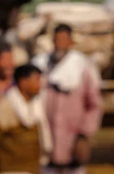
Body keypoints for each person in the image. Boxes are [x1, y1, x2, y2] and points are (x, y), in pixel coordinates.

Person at [32, 23, 103, 174]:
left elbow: (94, 105)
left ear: (71, 42)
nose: (60, 44)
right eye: (57, 39)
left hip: (73, 142)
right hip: (46, 141)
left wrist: (84, 135)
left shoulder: (82, 67)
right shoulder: (41, 65)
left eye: (64, 39)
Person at [0, 63, 52, 174]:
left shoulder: (37, 108)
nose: (40, 84)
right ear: (23, 82)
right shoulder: (5, 108)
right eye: (37, 80)